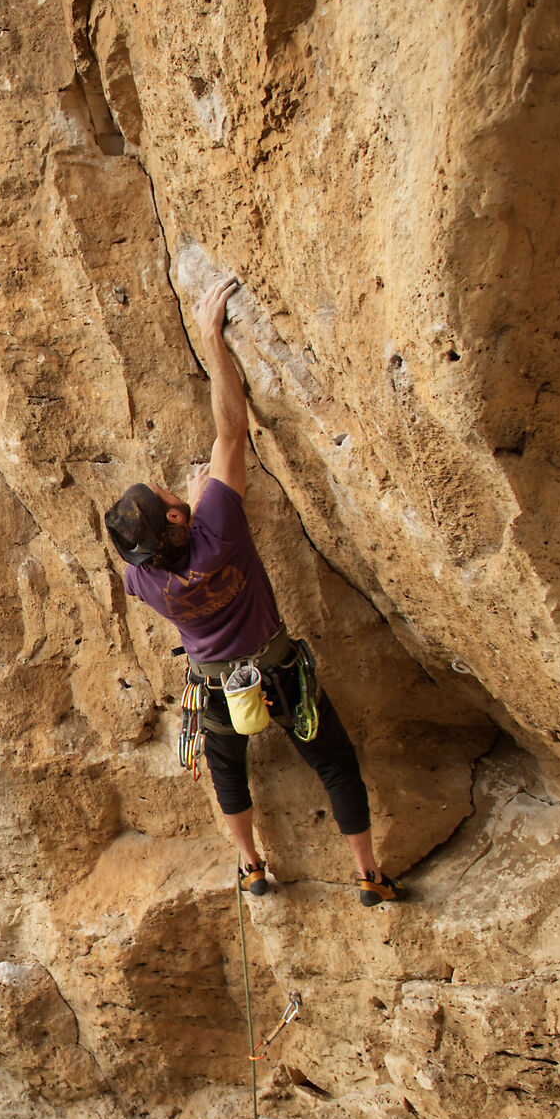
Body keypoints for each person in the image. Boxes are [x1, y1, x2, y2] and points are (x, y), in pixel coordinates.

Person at [104, 275, 402, 908]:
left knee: (227, 767)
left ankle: (251, 866)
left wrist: (170, 522)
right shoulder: (220, 526)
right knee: (334, 762)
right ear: (179, 517)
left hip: (215, 683)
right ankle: (368, 874)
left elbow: (144, 558)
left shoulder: (144, 578)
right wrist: (212, 340)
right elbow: (232, 431)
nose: (167, 488)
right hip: (279, 670)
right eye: (164, 495)